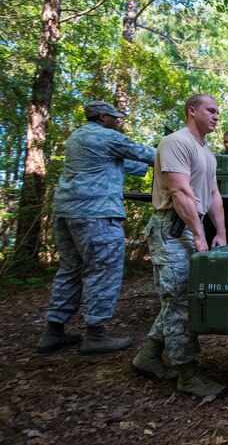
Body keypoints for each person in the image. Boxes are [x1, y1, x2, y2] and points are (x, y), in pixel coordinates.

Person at [36, 101, 156, 356]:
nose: (119, 121)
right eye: (116, 117)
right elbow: (152, 156)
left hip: (67, 213)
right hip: (96, 214)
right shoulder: (106, 136)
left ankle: (53, 331)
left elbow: (132, 166)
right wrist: (173, 149)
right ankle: (95, 334)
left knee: (70, 269)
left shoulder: (79, 137)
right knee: (103, 269)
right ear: (103, 117)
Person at [131, 94, 228, 400]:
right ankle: (187, 374)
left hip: (188, 228)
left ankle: (147, 357)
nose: (216, 116)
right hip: (171, 228)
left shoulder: (206, 153)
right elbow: (179, 191)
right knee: (180, 302)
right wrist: (199, 235)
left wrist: (220, 232)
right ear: (191, 111)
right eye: (210, 110)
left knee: (180, 297)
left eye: (217, 112)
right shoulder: (175, 142)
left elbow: (212, 193)